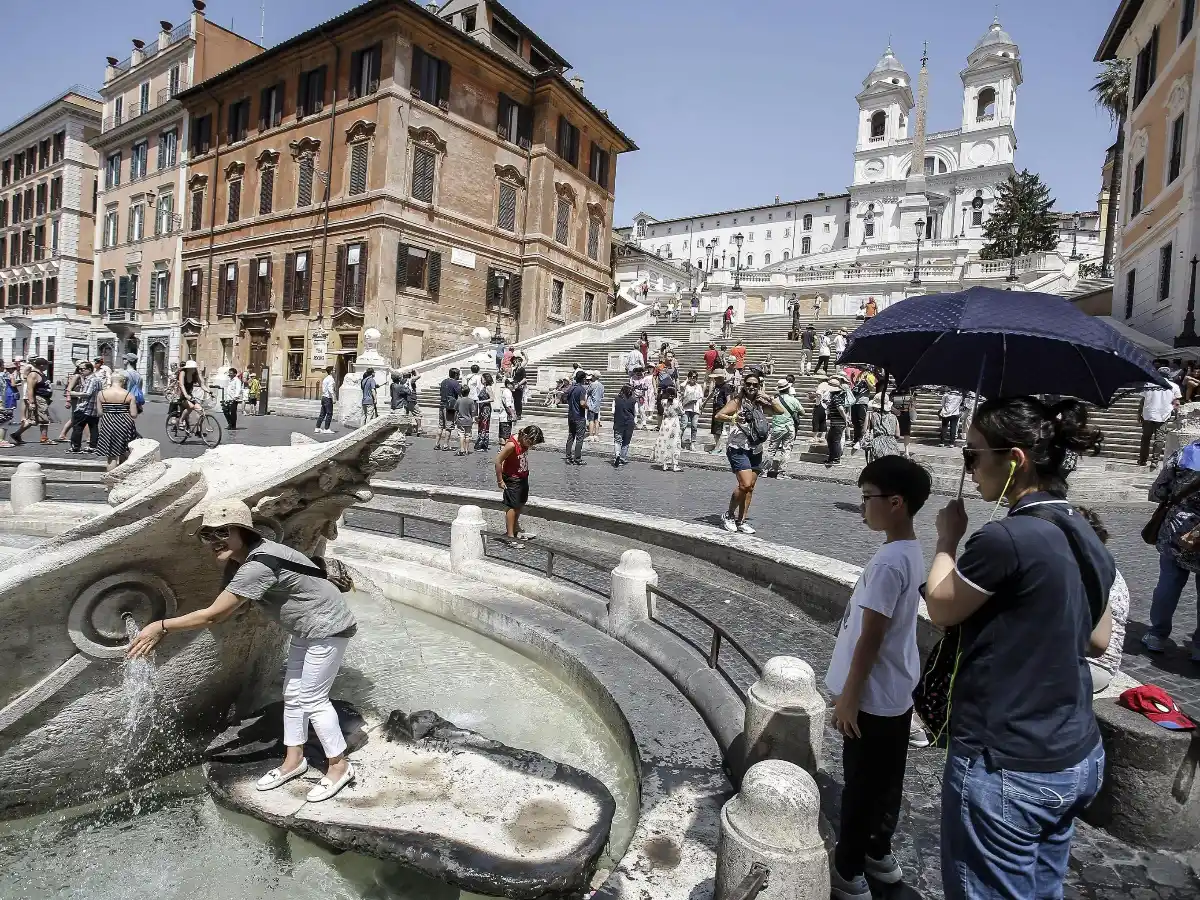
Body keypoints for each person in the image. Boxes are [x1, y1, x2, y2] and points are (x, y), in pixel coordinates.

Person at [924, 397, 1113, 900]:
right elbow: (1098, 638)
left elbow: (941, 607)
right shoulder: (1085, 529)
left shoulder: (1005, 538)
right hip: (1076, 752)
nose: (970, 468)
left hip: (1008, 757)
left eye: (973, 455)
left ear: (1016, 459)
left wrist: (947, 540)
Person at [128, 499, 358, 804]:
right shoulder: (250, 556)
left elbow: (213, 615)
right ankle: (294, 761)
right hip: (307, 626)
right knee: (293, 694)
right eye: (207, 535)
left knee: (313, 698)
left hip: (327, 627)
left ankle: (339, 767)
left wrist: (160, 625)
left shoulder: (256, 566)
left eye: (222, 532)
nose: (214, 541)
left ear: (243, 532)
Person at [827, 456, 931, 900]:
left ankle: (848, 869)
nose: (863, 506)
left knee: (862, 786)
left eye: (867, 497)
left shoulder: (889, 562)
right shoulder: (909, 550)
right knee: (888, 779)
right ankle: (878, 851)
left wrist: (848, 697)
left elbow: (871, 637)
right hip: (896, 689)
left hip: (871, 694)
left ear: (896, 502)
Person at [1143, 436, 1200, 661]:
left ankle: (1157, 634)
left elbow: (1158, 491)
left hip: (1177, 527)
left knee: (1169, 582)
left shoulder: (1183, 454)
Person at [714, 371, 784, 533]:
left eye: (755, 385)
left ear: (759, 386)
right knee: (744, 484)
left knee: (750, 487)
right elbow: (719, 415)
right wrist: (733, 419)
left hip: (756, 448)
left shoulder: (761, 402)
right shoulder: (737, 402)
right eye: (749, 384)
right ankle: (729, 515)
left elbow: (780, 411)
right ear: (744, 385)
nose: (752, 387)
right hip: (738, 447)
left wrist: (767, 396)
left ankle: (742, 520)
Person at [1074, 506, 1129, 692]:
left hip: (1091, 665)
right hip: (1086, 661)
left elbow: (1095, 644)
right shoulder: (1099, 565)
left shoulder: (1091, 573)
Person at [495, 425, 545, 547]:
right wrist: (500, 481)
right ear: (525, 436)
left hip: (522, 477)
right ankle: (510, 536)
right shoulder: (512, 445)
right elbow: (497, 461)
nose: (530, 446)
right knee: (512, 506)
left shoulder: (523, 441)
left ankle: (516, 530)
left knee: (519, 504)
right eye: (530, 442)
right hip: (512, 479)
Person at [94, 369, 139, 470]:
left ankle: (111, 482)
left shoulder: (101, 394)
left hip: (108, 423)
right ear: (123, 381)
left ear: (111, 380)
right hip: (125, 423)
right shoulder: (129, 394)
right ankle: (122, 480)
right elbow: (134, 414)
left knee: (111, 456)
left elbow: (100, 413)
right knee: (124, 452)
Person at [1139, 367, 1181, 466]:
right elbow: (1177, 403)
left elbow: (1142, 401)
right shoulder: (1174, 386)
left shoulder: (1148, 384)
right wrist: (1176, 413)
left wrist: (1139, 413)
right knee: (1159, 438)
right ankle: (1155, 461)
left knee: (1145, 438)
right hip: (1163, 415)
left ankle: (1142, 460)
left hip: (1148, 414)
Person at [10, 357, 55, 446]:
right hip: (39, 399)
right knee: (44, 419)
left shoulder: (41, 373)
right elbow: (30, 389)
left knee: (33, 420)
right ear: (41, 365)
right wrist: (32, 402)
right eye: (46, 364)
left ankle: (16, 434)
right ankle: (44, 438)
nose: (47, 366)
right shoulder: (34, 374)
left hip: (44, 399)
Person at [766, 380, 804, 479]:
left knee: (771, 450)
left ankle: (764, 471)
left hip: (777, 427)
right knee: (786, 450)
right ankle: (781, 473)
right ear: (788, 389)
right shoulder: (793, 400)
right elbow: (802, 412)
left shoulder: (775, 400)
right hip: (789, 427)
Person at [653, 387, 683, 472]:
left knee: (665, 443)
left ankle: (665, 465)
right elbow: (682, 412)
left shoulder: (663, 402)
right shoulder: (677, 402)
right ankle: (675, 465)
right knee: (675, 443)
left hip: (665, 423)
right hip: (674, 424)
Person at [825, 376, 852, 467]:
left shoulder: (835, 397)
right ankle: (832, 458)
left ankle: (836, 459)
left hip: (838, 423)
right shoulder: (837, 396)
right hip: (836, 422)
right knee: (830, 439)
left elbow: (840, 409)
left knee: (835, 440)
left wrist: (845, 419)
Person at [864, 399, 901, 463]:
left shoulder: (872, 415)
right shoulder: (894, 417)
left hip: (877, 444)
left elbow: (864, 430)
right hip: (892, 445)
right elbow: (897, 435)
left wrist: (867, 415)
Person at [564, 369, 589, 465]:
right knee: (579, 438)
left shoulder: (571, 388)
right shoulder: (581, 389)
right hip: (579, 416)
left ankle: (568, 457)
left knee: (571, 436)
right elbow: (582, 403)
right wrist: (588, 407)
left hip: (571, 415)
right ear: (583, 379)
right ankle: (577, 458)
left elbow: (567, 399)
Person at [57, 362, 85, 443]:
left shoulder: (81, 376)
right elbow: (69, 389)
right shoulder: (76, 376)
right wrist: (68, 400)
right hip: (75, 398)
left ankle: (63, 435)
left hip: (78, 398)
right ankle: (64, 435)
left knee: (74, 417)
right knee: (75, 417)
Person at [707, 372, 734, 455]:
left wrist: (726, 411)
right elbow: (712, 394)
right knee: (714, 430)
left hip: (721, 409)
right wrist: (705, 402)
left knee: (718, 430)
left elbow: (728, 399)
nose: (714, 379)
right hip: (715, 409)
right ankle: (717, 445)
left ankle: (718, 447)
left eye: (716, 378)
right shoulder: (717, 386)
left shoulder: (726, 387)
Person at [436, 368, 462, 451]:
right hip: (450, 407)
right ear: (455, 375)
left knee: (440, 426)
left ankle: (437, 444)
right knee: (448, 427)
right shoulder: (455, 383)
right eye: (458, 374)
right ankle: (445, 445)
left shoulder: (443, 381)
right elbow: (460, 393)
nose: (459, 376)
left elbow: (441, 392)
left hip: (442, 405)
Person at [612, 384, 637, 467]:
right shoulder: (633, 400)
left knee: (617, 440)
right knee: (626, 441)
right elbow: (636, 412)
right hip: (629, 422)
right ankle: (623, 458)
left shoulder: (616, 399)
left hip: (619, 421)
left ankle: (617, 455)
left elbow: (613, 411)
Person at [680, 370, 705, 450]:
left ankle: (692, 443)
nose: (693, 379)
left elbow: (701, 397)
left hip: (695, 408)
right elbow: (681, 386)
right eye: (692, 377)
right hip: (686, 408)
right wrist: (687, 379)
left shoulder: (699, 386)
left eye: (695, 377)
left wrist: (701, 405)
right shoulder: (686, 386)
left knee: (694, 426)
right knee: (683, 425)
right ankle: (678, 441)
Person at [454, 384, 476, 456]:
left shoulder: (458, 400)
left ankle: (462, 449)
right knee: (468, 435)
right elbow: (473, 411)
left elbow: (456, 410)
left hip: (460, 420)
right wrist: (473, 419)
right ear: (468, 392)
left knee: (461, 435)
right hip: (468, 420)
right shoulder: (471, 401)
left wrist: (455, 419)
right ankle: (466, 449)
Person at [892, 389, 915, 457]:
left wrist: (912, 403)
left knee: (907, 433)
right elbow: (889, 403)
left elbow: (914, 404)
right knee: (894, 432)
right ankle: (893, 449)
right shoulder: (894, 392)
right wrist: (894, 410)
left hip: (906, 414)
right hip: (896, 414)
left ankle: (906, 451)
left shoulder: (910, 392)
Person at [0, 361, 18, 447]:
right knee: (5, 419)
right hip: (5, 398)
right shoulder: (6, 376)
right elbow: (12, 385)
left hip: (5, 397)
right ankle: (1, 440)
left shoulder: (3, 375)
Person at [475, 373, 494, 451]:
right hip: (482, 408)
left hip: (486, 409)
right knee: (481, 425)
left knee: (484, 425)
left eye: (482, 378)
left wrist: (481, 401)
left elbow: (492, 398)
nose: (481, 380)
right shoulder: (484, 387)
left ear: (485, 379)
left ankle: (482, 444)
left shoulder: (488, 388)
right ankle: (481, 443)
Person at [585, 372, 605, 443]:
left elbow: (587, 393)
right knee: (596, 420)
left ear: (594, 376)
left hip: (591, 405)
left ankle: (590, 435)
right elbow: (602, 395)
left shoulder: (592, 385)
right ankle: (596, 435)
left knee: (591, 420)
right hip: (598, 405)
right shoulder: (601, 385)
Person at [316, 366, 336, 434]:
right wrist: (333, 397)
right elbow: (330, 389)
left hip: (323, 397)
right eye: (334, 370)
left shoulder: (325, 379)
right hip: (328, 398)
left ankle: (317, 428)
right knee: (329, 413)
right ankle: (326, 428)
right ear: (331, 371)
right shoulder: (331, 379)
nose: (335, 371)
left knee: (322, 413)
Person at [498, 377, 517, 441]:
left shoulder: (506, 391)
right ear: (508, 385)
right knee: (505, 436)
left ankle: (502, 449)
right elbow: (508, 406)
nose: (514, 385)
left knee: (503, 435)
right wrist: (513, 415)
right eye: (513, 384)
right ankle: (504, 449)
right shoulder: (507, 392)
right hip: (506, 417)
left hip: (504, 417)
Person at [511, 355, 528, 419]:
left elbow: (524, 379)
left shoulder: (522, 369)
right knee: (515, 400)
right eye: (515, 361)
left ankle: (519, 414)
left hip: (519, 386)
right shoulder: (515, 369)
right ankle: (515, 412)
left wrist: (518, 384)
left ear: (520, 362)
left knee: (518, 400)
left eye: (517, 361)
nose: (515, 362)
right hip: (514, 386)